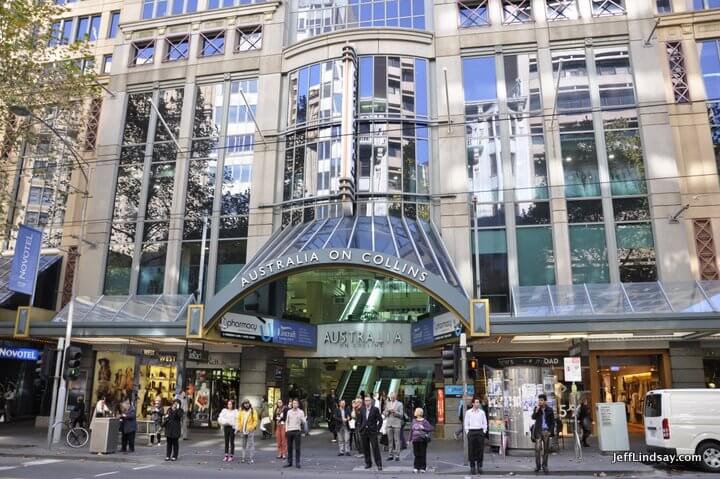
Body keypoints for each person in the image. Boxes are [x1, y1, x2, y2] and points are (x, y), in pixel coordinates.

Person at [531, 393, 555, 473]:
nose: (540, 402)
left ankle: (544, 466)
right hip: (538, 431)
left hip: (546, 431)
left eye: (541, 400)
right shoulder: (537, 408)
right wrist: (536, 411)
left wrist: (550, 432)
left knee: (546, 450)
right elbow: (533, 417)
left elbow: (552, 422)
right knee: (537, 449)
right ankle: (537, 466)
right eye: (539, 400)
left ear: (545, 401)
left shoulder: (550, 410)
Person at [358, 395, 383, 471]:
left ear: (371, 401)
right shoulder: (362, 409)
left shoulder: (375, 409)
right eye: (365, 400)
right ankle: (368, 463)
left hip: (372, 432)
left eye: (368, 400)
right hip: (364, 431)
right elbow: (360, 420)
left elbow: (380, 420)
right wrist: (360, 428)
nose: (367, 402)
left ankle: (379, 464)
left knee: (375, 448)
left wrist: (377, 429)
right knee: (366, 448)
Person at [464, 398, 487, 475]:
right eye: (476, 402)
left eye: (478, 402)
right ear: (473, 403)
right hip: (471, 432)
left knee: (480, 450)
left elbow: (485, 423)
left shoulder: (482, 412)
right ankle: (472, 467)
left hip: (480, 431)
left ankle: (480, 466)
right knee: (471, 450)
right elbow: (466, 423)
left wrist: (484, 432)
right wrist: (467, 432)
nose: (478, 404)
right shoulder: (468, 412)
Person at [283, 399, 307, 469]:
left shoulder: (301, 412)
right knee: (289, 448)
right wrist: (286, 430)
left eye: (296, 403)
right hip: (289, 431)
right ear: (292, 404)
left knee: (297, 448)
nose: (294, 405)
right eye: (293, 403)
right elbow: (287, 421)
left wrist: (304, 420)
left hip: (297, 431)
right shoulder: (289, 412)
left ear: (298, 404)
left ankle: (297, 462)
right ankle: (289, 462)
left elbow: (304, 421)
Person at [410, 407, 433, 473]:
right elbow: (411, 431)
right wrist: (409, 439)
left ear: (418, 413)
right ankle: (416, 467)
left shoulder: (424, 421)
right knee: (416, 454)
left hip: (422, 440)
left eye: (415, 411)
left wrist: (424, 428)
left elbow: (431, 428)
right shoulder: (414, 421)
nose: (414, 412)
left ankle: (423, 467)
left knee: (422, 454)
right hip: (415, 440)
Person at [236, 399, 258, 463]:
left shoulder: (252, 410)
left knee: (250, 445)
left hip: (250, 430)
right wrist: (240, 428)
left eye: (247, 403)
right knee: (243, 445)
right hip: (242, 430)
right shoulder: (241, 410)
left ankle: (251, 458)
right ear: (243, 404)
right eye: (245, 403)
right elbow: (238, 419)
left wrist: (252, 427)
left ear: (249, 403)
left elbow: (255, 420)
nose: (246, 404)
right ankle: (243, 458)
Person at [383, 391, 403, 461]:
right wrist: (387, 412)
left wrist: (395, 412)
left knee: (397, 440)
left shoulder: (400, 404)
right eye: (391, 397)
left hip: (397, 424)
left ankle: (397, 455)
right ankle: (390, 455)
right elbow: (384, 413)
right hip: (389, 424)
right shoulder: (387, 403)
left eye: (393, 397)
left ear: (396, 397)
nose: (392, 398)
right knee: (390, 440)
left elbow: (401, 415)